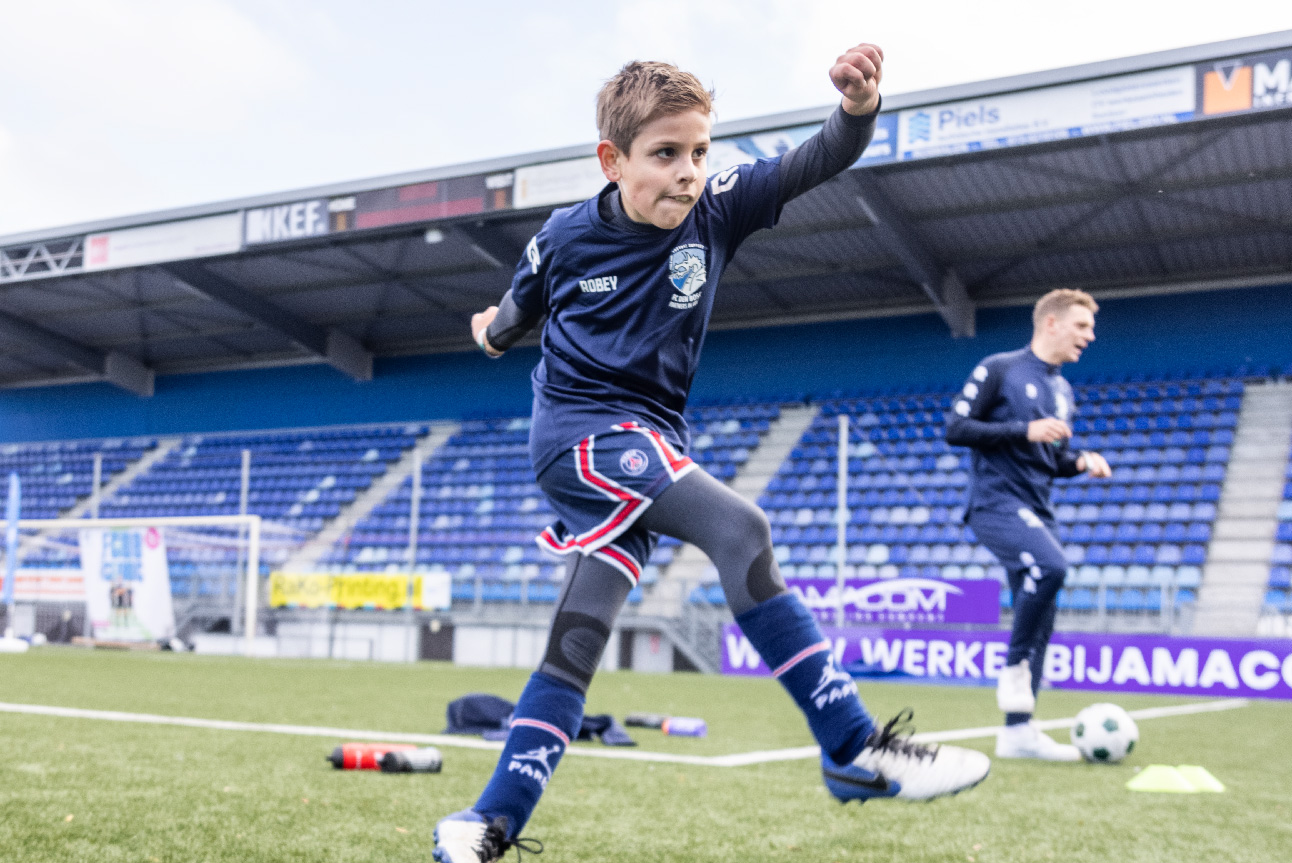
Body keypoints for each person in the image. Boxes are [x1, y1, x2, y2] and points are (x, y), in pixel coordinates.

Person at [434, 45, 991, 863]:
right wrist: (487, 330)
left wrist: (859, 108)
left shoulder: (717, 208)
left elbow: (817, 158)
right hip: (579, 438)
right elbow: (513, 317)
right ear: (611, 160)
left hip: (649, 443)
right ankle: (851, 745)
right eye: (665, 154)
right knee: (740, 528)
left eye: (699, 151)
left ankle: (484, 823)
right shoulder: (563, 239)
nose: (689, 171)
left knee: (577, 644)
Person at [945, 289, 1112, 761]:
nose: (1090, 336)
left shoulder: (1062, 390)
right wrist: (1023, 430)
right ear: (1052, 323)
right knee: (1053, 567)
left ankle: (1018, 732)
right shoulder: (1000, 367)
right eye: (1082, 326)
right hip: (995, 503)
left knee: (1042, 615)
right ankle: (1014, 668)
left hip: (1038, 508)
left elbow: (1051, 460)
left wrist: (1080, 462)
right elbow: (955, 429)